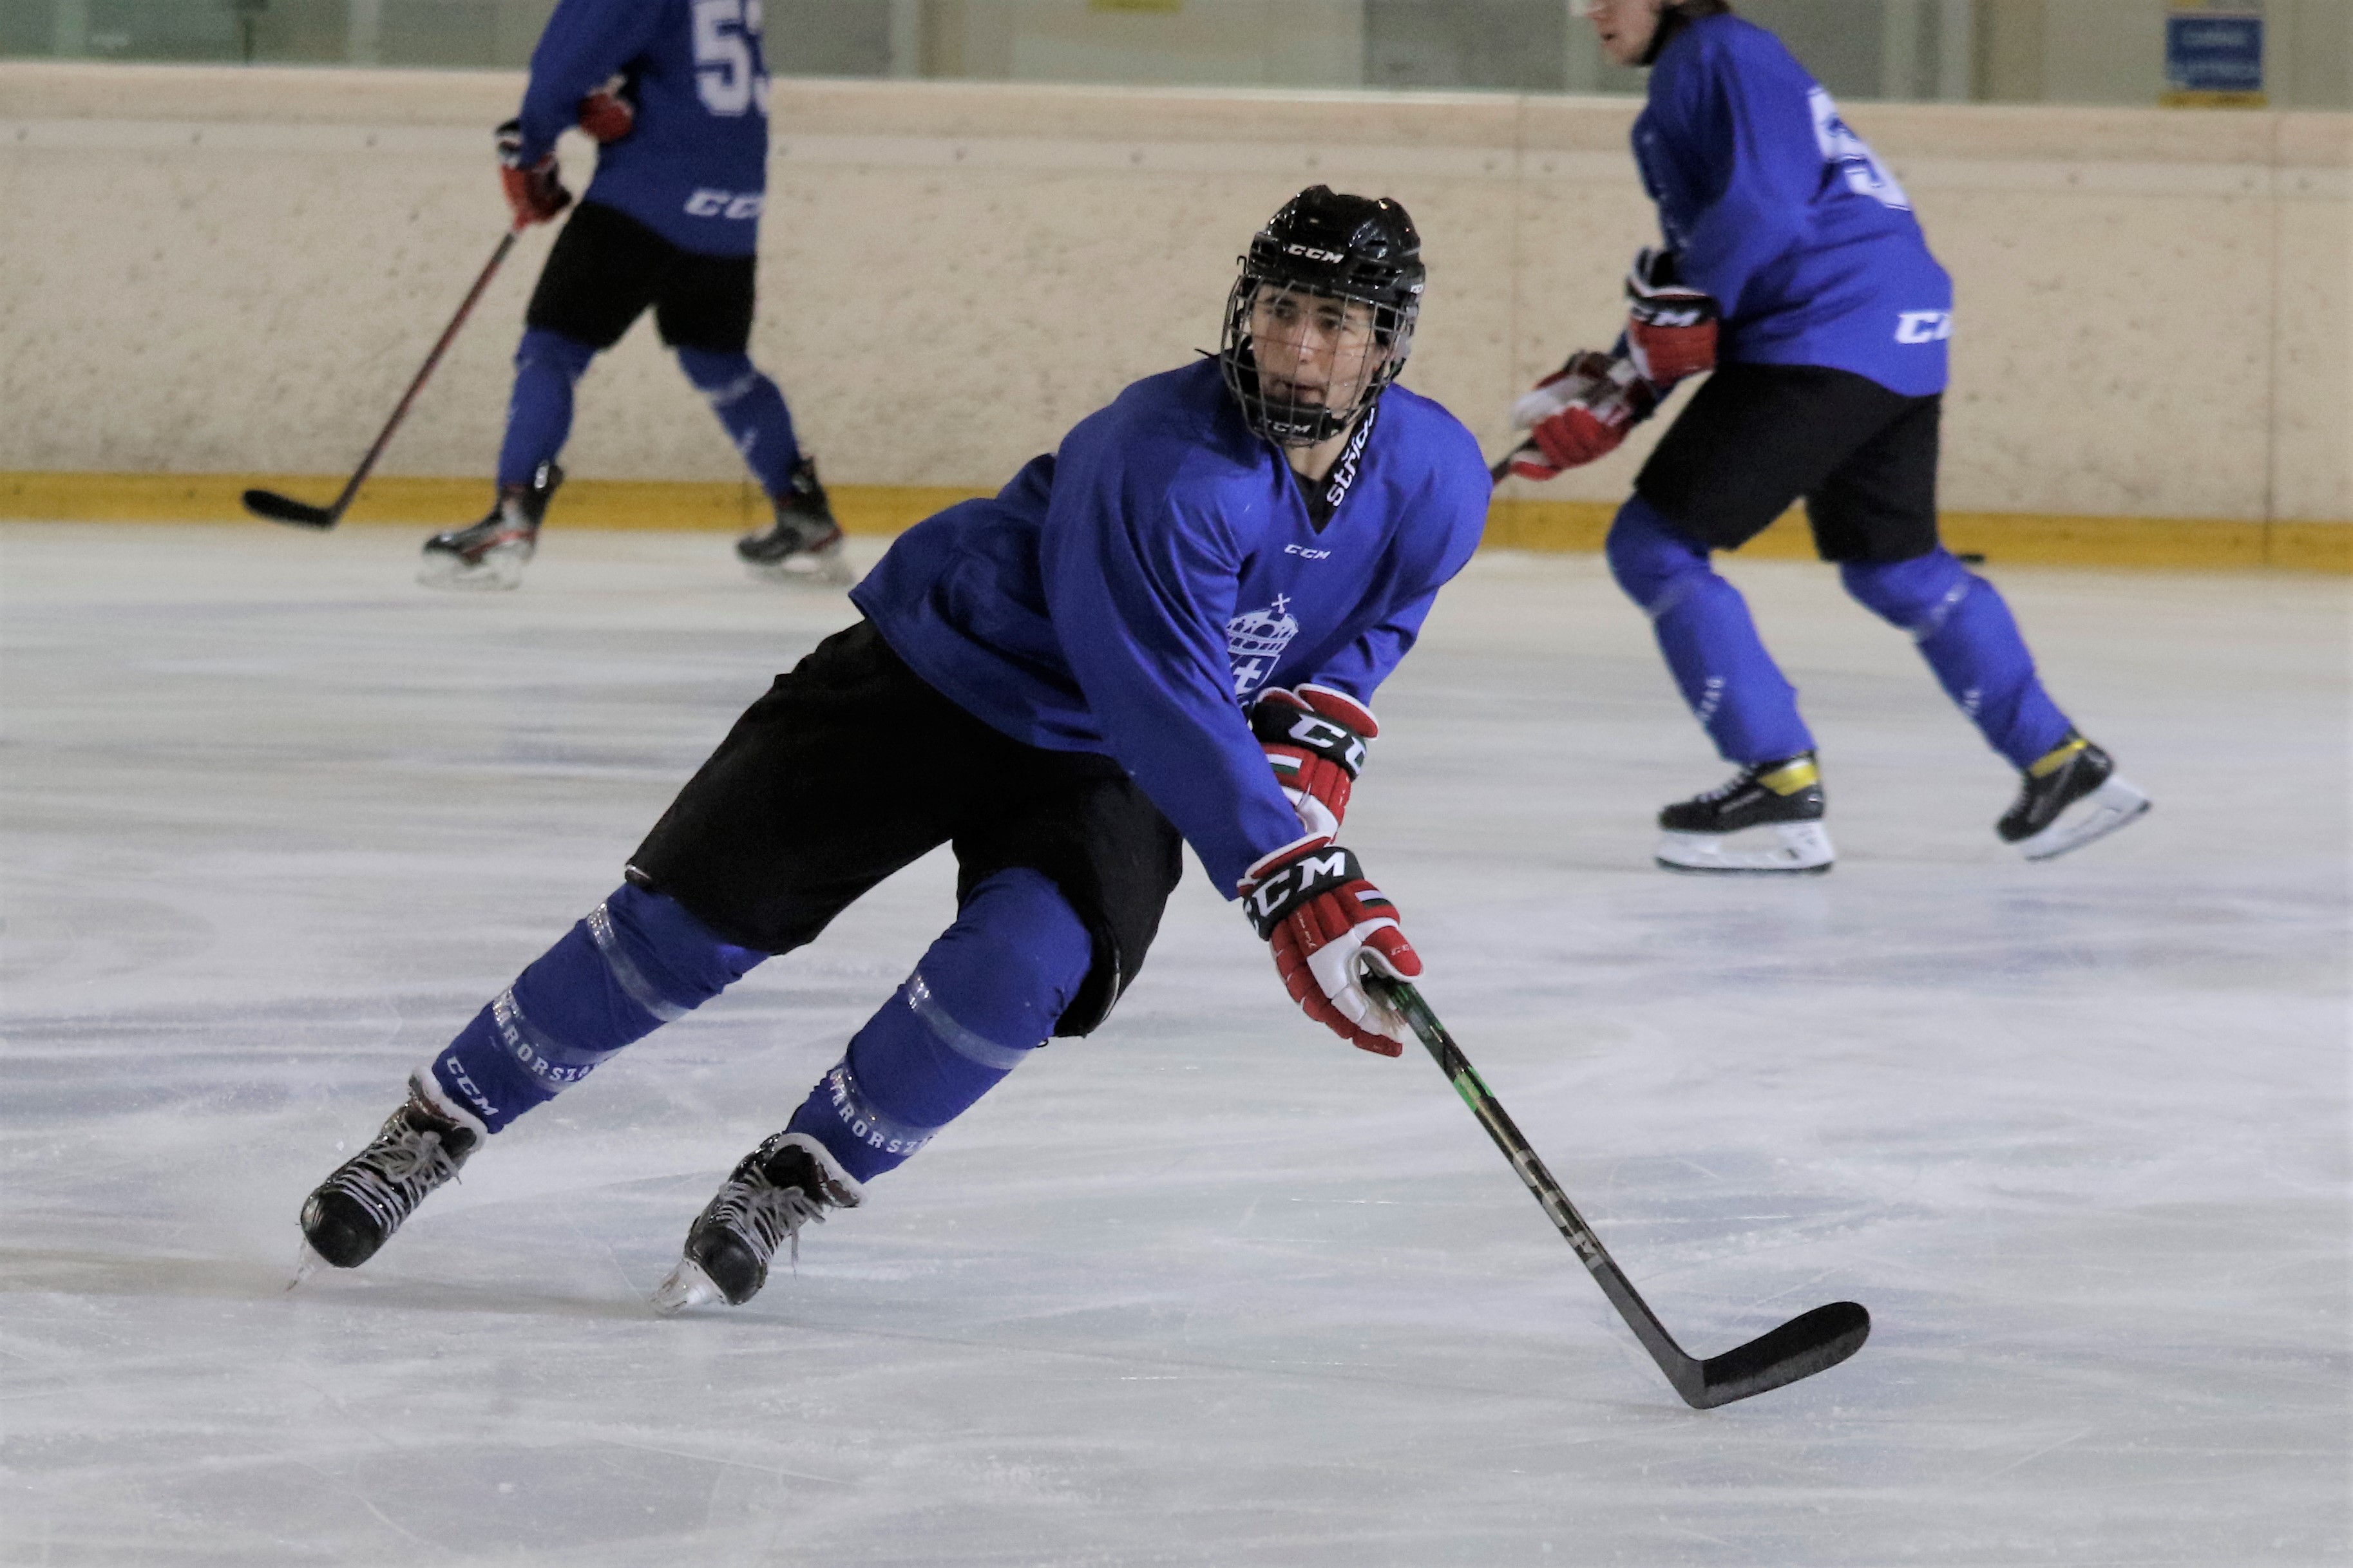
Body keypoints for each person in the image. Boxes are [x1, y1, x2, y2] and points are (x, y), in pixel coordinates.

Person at [294, 187, 1491, 1312]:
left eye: (1333, 320)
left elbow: (1365, 628)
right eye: (1279, 306)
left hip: (1109, 760)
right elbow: (1163, 692)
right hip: (944, 671)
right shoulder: (1167, 457)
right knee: (690, 925)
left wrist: (1312, 762)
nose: (1295, 346)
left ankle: (796, 1176)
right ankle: (440, 1122)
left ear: (1385, 343)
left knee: (1021, 972)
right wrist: (1292, 876)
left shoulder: (1435, 478)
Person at [1508, 0, 2149, 873]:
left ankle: (1776, 782)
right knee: (1895, 568)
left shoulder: (1712, 55)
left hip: (1824, 330)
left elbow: (1759, 219)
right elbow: (1705, 285)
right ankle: (2058, 761)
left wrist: (1633, 381)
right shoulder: (1723, 66)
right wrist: (1625, 381)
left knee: (1655, 546)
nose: (1588, 10)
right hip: (1896, 332)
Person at [419, 0, 846, 591]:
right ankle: (805, 517)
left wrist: (531, 147)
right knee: (717, 359)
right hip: (734, 199)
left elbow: (565, 63)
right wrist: (618, 95)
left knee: (553, 349)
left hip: (647, 193)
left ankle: (511, 519)